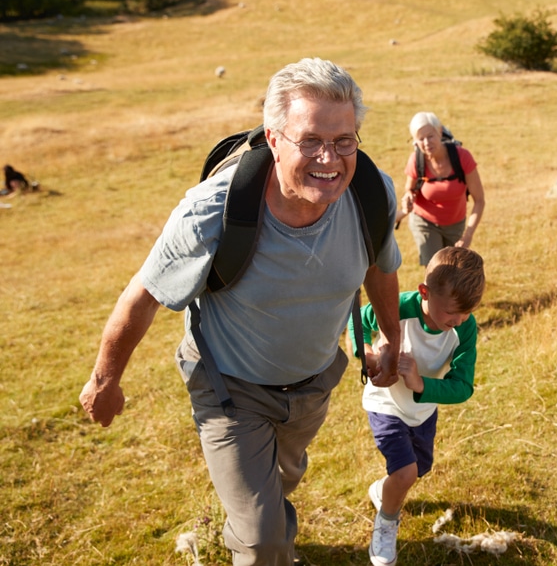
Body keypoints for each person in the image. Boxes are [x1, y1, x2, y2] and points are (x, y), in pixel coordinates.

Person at [79, 57, 404, 566]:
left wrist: (391, 340)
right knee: (260, 539)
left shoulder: (372, 195)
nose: (330, 158)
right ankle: (263, 543)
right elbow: (141, 296)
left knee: (278, 488)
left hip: (314, 383)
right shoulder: (213, 210)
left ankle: (262, 529)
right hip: (230, 388)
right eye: (311, 140)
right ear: (274, 139)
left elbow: (380, 270)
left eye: (345, 141)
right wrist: (105, 380)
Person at [350, 246, 485, 566]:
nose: (459, 320)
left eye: (466, 313)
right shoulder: (395, 306)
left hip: (421, 410)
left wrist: (422, 385)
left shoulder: (464, 328)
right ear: (425, 292)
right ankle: (386, 524)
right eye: (452, 312)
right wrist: (367, 353)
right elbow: (357, 322)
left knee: (418, 469)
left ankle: (384, 490)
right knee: (406, 471)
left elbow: (463, 386)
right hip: (385, 403)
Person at [396, 112, 485, 266]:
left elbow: (479, 200)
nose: (426, 142)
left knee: (454, 269)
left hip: (455, 223)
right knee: (435, 268)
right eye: (420, 139)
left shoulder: (462, 157)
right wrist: (408, 197)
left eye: (430, 136)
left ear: (440, 132)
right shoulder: (416, 160)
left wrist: (468, 235)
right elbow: (409, 189)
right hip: (425, 221)